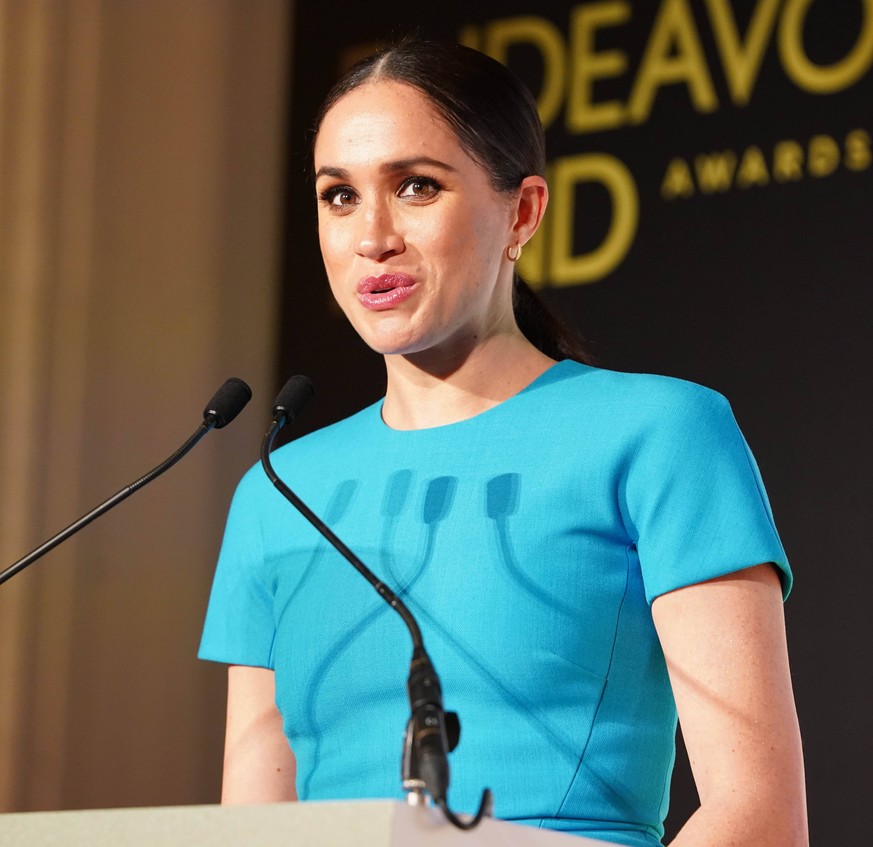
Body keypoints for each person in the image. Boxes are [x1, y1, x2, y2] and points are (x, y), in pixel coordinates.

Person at [199, 40, 807, 846]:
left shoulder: (660, 433)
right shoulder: (277, 488)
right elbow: (251, 830)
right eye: (338, 195)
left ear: (521, 211)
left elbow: (756, 812)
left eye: (416, 186)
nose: (370, 236)